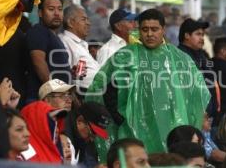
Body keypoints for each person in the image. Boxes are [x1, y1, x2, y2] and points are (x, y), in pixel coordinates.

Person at [87, 8, 210, 152]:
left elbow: (196, 93)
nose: (149, 34)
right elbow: (105, 89)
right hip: (135, 130)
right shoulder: (125, 57)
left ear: (163, 30)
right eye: (145, 29)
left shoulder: (180, 58)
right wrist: (123, 120)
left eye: (154, 29)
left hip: (173, 127)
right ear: (139, 30)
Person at [26, 0, 71, 103]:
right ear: (40, 13)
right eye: (51, 9)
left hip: (59, 98)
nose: (56, 13)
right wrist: (54, 92)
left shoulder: (55, 36)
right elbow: (38, 62)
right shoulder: (38, 31)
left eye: (60, 9)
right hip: (43, 100)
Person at [21, 79, 75, 163]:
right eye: (63, 95)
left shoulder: (61, 134)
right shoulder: (26, 142)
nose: (69, 99)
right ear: (47, 100)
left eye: (69, 95)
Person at [60, 4, 99, 97]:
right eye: (83, 19)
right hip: (83, 94)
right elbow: (66, 75)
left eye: (88, 19)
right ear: (70, 23)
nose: (88, 23)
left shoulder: (82, 44)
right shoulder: (65, 42)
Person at [64, 102, 111, 167]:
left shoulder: (80, 139)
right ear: (79, 121)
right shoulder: (64, 139)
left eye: (95, 135)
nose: (92, 139)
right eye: (91, 133)